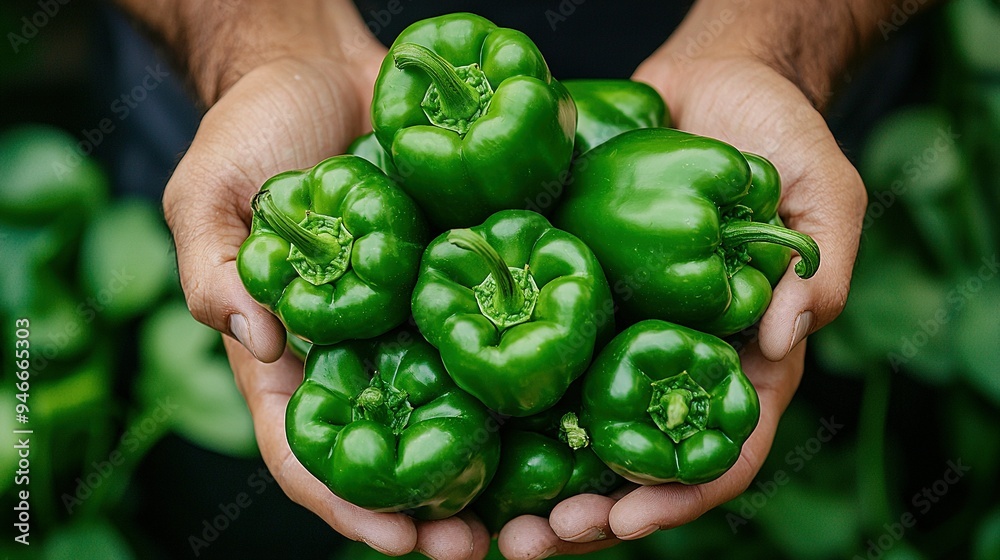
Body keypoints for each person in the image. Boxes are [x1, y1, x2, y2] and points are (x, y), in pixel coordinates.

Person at [109, 1, 931, 558]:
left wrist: (775, 48)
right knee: (234, 518)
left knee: (846, 423)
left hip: (786, 75)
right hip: (257, 94)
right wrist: (273, 55)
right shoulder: (330, 224)